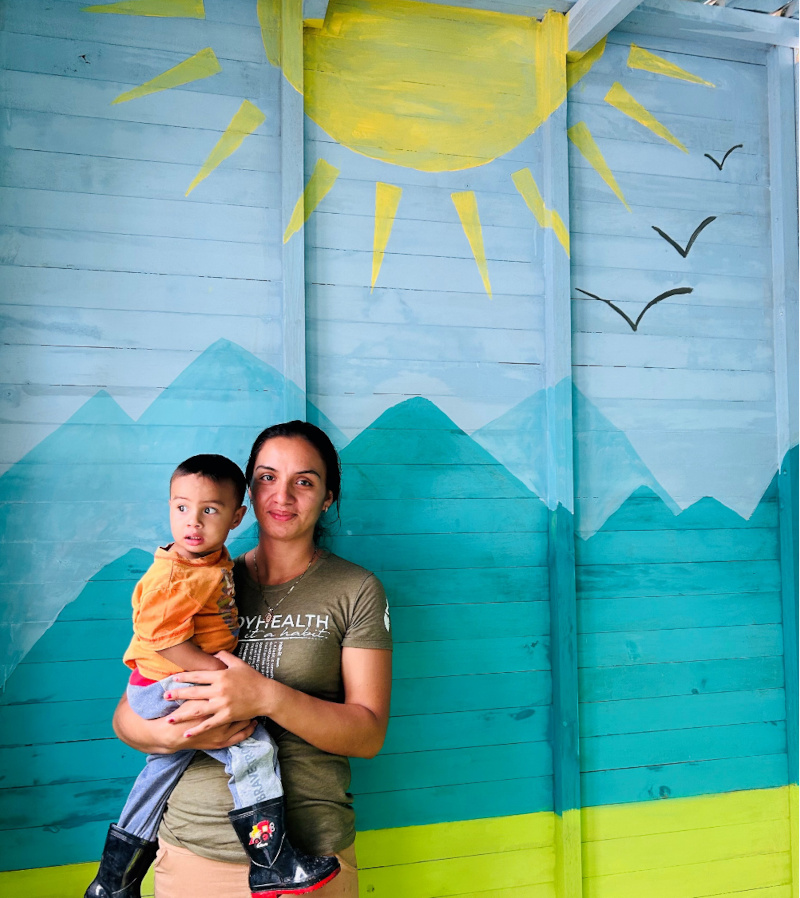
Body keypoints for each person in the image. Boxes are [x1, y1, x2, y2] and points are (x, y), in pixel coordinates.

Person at [112, 422, 393, 898]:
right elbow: (129, 713)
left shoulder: (355, 589)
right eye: (267, 477)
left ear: (326, 498)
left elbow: (367, 735)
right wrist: (172, 734)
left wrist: (265, 697)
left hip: (310, 858)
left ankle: (276, 861)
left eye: (304, 481)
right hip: (191, 849)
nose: (282, 495)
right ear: (246, 497)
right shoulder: (199, 576)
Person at [86, 453, 340, 898]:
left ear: (236, 516)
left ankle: (113, 882)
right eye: (181, 508)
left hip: (165, 682)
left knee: (158, 775)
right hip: (168, 683)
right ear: (168, 507)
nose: (193, 522)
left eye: (209, 510)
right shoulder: (176, 574)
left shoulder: (211, 562)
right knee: (251, 745)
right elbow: (162, 639)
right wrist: (222, 674)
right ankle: (271, 862)